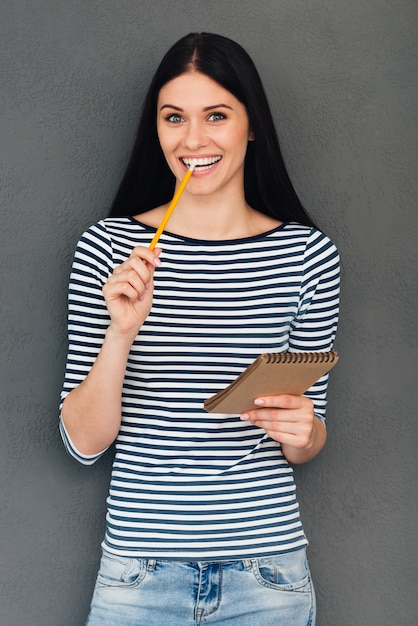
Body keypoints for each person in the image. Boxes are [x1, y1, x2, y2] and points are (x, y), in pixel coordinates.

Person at [59, 32, 340, 626]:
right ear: (155, 129)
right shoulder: (109, 248)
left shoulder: (309, 256)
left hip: (267, 576)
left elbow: (309, 442)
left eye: (217, 115)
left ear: (251, 126)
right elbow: (84, 443)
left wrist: (301, 430)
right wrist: (121, 333)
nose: (193, 140)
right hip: (138, 573)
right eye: (173, 118)